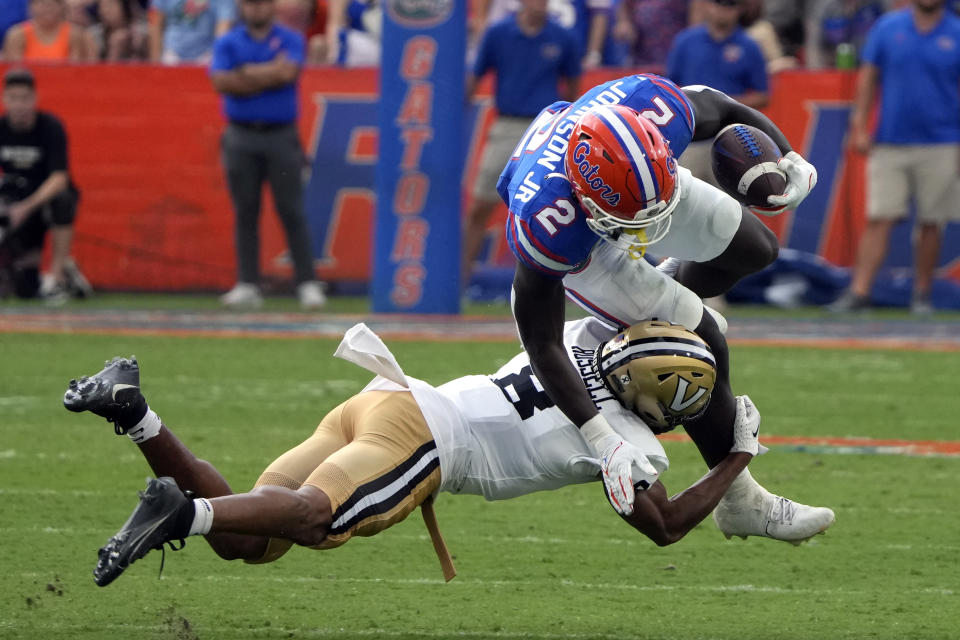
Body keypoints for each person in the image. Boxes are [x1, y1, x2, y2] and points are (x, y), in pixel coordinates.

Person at [63, 317, 833, 586]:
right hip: (426, 441)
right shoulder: (631, 439)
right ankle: (180, 509)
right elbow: (661, 525)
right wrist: (736, 456)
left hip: (385, 398)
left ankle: (136, 413)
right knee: (315, 520)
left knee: (248, 542)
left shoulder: (577, 339)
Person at [499, 73, 817, 516]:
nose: (652, 228)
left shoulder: (650, 106)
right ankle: (741, 501)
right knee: (701, 339)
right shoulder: (547, 223)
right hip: (589, 239)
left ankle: (652, 305)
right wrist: (602, 439)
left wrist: (787, 156)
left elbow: (722, 107)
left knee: (756, 249)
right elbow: (541, 342)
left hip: (636, 185)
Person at [829, 0, 960, 315]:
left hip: (942, 141)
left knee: (932, 221)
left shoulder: (956, 31)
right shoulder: (888, 27)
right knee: (878, 218)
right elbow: (868, 76)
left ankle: (922, 293)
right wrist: (860, 125)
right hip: (890, 139)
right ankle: (860, 291)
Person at [210, 0, 326, 309]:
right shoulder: (228, 40)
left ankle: (307, 282)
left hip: (280, 134)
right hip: (241, 133)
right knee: (245, 210)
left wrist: (246, 73)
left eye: (261, 3)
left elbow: (288, 73)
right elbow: (221, 81)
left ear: (271, 7)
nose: (256, 9)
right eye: (250, 3)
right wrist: (268, 72)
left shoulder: (290, 38)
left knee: (292, 210)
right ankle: (248, 283)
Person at [463, 0, 581, 287]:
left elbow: (574, 86)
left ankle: (549, 285)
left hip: (547, 126)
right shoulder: (498, 33)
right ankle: (459, 282)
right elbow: (474, 76)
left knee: (549, 209)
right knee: (480, 205)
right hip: (507, 124)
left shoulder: (562, 37)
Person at [0, 68, 91, 302]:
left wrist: (25, 208)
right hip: (15, 202)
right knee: (26, 290)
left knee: (63, 200)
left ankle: (58, 276)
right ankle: (57, 271)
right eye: (13, 98)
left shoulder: (50, 127)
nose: (19, 105)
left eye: (24, 98)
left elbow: (59, 178)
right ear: (5, 99)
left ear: (35, 99)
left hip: (42, 203)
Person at [148, 0, 235, 65]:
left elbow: (223, 28)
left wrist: (217, 61)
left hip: (206, 57)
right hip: (171, 54)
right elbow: (155, 23)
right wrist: (155, 62)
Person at [2, 0, 89, 62]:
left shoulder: (75, 34)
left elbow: (76, 69)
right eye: (41, 2)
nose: (47, 7)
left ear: (62, 7)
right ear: (31, 7)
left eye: (53, 2)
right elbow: (14, 70)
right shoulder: (17, 35)